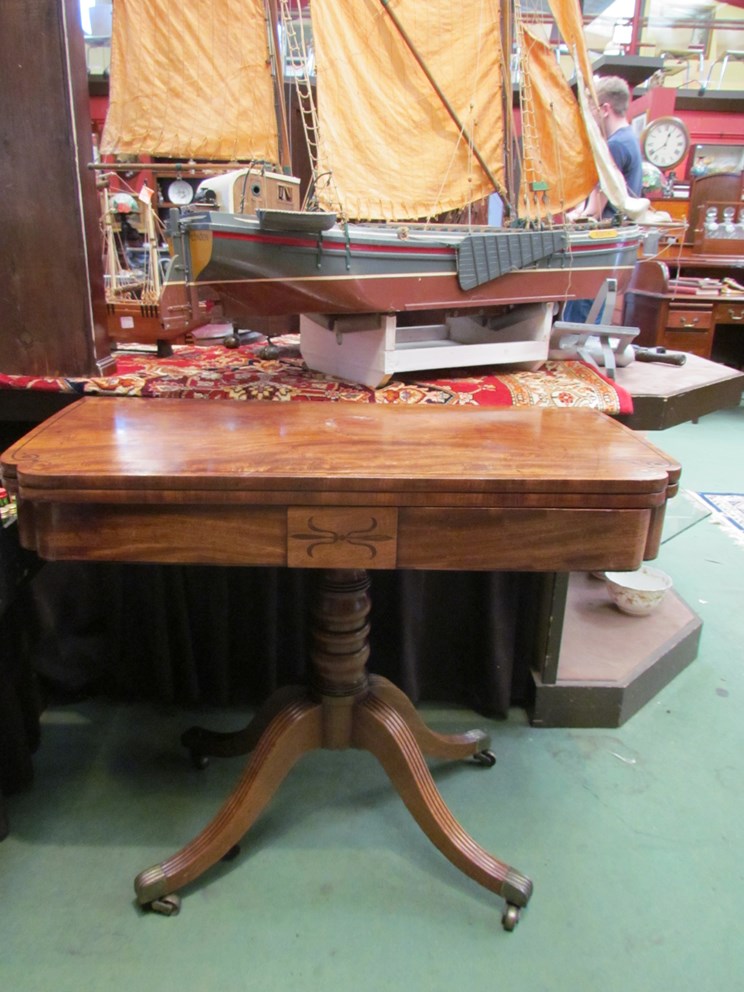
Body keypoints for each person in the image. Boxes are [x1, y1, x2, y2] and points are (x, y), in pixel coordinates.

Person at [562, 75, 643, 324]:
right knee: (588, 312)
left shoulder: (617, 146)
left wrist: (571, 216)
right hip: (611, 246)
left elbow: (596, 207)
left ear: (606, 109)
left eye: (593, 109)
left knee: (581, 314)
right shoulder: (628, 140)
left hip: (599, 247)